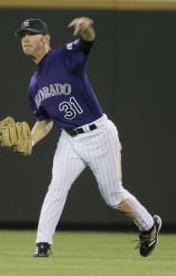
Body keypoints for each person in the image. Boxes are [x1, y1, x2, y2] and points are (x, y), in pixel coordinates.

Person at [14, 17, 161, 258]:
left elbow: (87, 42)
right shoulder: (33, 86)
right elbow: (45, 121)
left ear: (46, 38)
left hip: (99, 133)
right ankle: (42, 245)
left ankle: (148, 225)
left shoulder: (64, 56)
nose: (26, 39)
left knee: (113, 195)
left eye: (31, 33)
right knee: (57, 188)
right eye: (23, 35)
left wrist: (87, 29)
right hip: (70, 140)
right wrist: (29, 141)